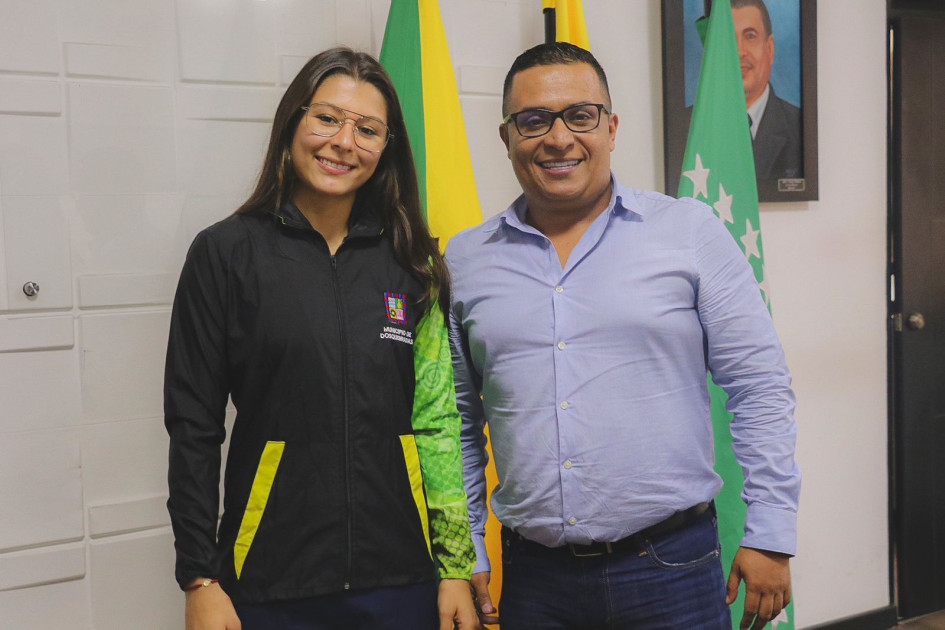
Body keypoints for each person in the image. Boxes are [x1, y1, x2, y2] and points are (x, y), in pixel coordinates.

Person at [447, 42, 799, 630]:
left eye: (580, 116)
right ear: (506, 137)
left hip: (671, 569)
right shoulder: (466, 261)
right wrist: (464, 551)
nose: (558, 138)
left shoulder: (688, 232)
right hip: (534, 580)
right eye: (533, 121)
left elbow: (759, 385)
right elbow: (457, 419)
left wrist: (771, 531)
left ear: (611, 128)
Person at [164, 47, 479, 630]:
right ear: (293, 123)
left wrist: (455, 566)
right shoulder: (226, 254)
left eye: (367, 129)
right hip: (270, 581)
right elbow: (193, 427)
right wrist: (199, 577)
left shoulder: (414, 263)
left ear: (386, 148)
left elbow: (438, 421)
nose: (343, 142)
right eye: (327, 118)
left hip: (402, 581)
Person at [733, 0, 803, 181]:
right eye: (729, 38)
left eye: (750, 36)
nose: (739, 52)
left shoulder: (799, 127)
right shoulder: (689, 128)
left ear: (770, 49)